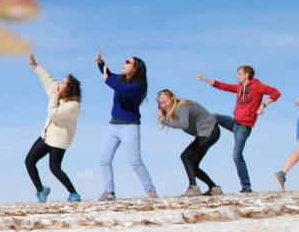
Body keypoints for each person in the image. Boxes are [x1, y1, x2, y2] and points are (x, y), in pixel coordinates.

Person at [196, 66, 281, 192]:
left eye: (239, 74)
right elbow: (222, 86)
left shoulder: (258, 86)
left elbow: (276, 92)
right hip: (234, 122)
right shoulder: (240, 88)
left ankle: (246, 186)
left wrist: (264, 104)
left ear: (246, 75)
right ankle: (198, 134)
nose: (237, 76)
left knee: (237, 156)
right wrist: (204, 79)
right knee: (214, 117)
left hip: (244, 128)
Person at [94, 49, 157, 200]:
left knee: (135, 161)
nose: (124, 63)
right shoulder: (121, 79)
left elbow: (121, 88)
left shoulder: (138, 85)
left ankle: (150, 190)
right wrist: (100, 63)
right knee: (104, 158)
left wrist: (106, 79)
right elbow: (109, 75)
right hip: (113, 126)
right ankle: (109, 191)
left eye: (128, 62)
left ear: (135, 68)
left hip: (130, 126)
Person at [25, 54, 82, 202]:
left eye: (63, 82)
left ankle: (74, 193)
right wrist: (36, 66)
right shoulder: (57, 92)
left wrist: (55, 97)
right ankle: (41, 190)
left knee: (54, 168)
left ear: (69, 88)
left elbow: (53, 114)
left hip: (59, 141)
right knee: (29, 161)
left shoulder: (73, 106)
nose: (59, 83)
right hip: (46, 136)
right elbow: (48, 80)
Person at [156, 89, 223, 196]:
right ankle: (214, 188)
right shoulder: (177, 108)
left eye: (165, 101)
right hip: (207, 133)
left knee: (186, 157)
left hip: (210, 132)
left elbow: (184, 125)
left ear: (172, 99)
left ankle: (193, 188)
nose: (164, 105)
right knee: (192, 164)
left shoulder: (180, 107)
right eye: (161, 103)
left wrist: (164, 121)